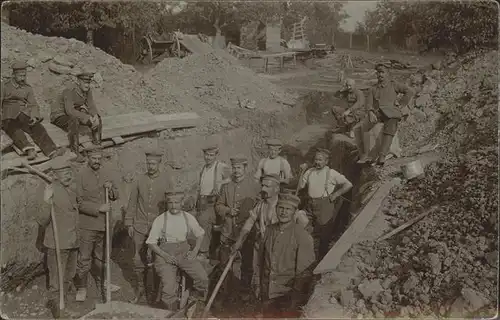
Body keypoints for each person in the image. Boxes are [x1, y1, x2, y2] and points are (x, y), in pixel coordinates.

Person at [232, 174, 308, 297]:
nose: (263, 189)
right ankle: (259, 296)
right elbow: (250, 221)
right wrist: (239, 241)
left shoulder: (284, 204)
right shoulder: (261, 204)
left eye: (267, 186)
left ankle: (280, 298)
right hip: (262, 245)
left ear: (276, 188)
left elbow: (303, 221)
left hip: (279, 247)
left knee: (278, 273)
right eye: (262, 185)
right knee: (259, 270)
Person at [124, 150, 175, 304]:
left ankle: (156, 293)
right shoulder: (139, 180)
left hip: (158, 228)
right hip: (140, 226)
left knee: (157, 260)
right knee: (137, 260)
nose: (151, 166)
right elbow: (132, 202)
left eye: (153, 163)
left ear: (159, 164)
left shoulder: (167, 181)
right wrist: (129, 223)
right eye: (148, 163)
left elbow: (171, 206)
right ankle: (140, 289)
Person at [146, 191, 209, 311]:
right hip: (165, 254)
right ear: (167, 203)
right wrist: (165, 255)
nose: (173, 206)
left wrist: (195, 250)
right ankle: (171, 312)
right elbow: (151, 242)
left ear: (182, 203)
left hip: (184, 252)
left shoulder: (188, 217)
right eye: (170, 202)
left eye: (176, 202)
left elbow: (200, 234)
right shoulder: (160, 219)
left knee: (202, 278)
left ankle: (194, 303)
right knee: (169, 288)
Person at [73, 145, 120, 302]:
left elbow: (115, 195)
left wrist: (111, 188)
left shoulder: (107, 172)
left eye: (99, 158)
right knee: (84, 258)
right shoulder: (80, 175)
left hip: (105, 224)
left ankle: (104, 282)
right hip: (87, 225)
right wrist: (98, 208)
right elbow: (78, 203)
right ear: (88, 158)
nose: (97, 161)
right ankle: (82, 287)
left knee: (103, 257)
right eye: (94, 158)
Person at [259, 193, 315, 318]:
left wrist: (294, 299)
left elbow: (304, 273)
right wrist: (259, 285)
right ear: (276, 209)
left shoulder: (302, 235)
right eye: (281, 208)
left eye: (288, 209)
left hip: (287, 296)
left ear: (295, 212)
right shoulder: (269, 230)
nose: (283, 212)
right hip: (268, 292)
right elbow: (260, 261)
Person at [214, 154, 259, 303]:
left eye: (239, 168)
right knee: (224, 264)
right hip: (228, 231)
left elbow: (259, 207)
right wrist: (228, 210)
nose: (236, 171)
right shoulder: (226, 187)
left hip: (246, 232)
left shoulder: (254, 186)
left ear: (245, 168)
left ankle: (245, 290)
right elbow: (218, 205)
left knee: (247, 263)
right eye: (234, 168)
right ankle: (225, 292)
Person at [36, 158, 78, 318]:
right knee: (56, 281)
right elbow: (41, 219)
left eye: (69, 172)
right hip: (57, 244)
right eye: (64, 174)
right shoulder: (50, 190)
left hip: (73, 241)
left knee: (68, 276)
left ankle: (64, 305)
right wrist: (47, 201)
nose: (68, 176)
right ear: (56, 175)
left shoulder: (71, 189)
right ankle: (58, 312)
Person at [1, 60, 64, 160]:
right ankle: (30, 150)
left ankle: (51, 151)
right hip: (7, 115)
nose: (22, 78)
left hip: (23, 114)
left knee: (36, 126)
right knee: (13, 128)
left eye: (24, 76)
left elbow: (33, 104)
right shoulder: (4, 86)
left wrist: (34, 116)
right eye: (20, 76)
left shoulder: (27, 88)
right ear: (13, 75)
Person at [298, 148, 353, 259]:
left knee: (325, 232)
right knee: (300, 221)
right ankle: (306, 255)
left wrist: (336, 194)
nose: (317, 162)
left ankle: (321, 257)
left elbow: (348, 184)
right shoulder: (310, 172)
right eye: (316, 159)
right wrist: (302, 171)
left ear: (326, 161)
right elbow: (300, 186)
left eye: (320, 160)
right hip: (310, 203)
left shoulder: (331, 173)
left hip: (324, 204)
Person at [358, 64, 414, 165]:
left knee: (391, 126)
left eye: (382, 72)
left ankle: (382, 155)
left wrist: (401, 104)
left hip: (391, 113)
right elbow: (368, 103)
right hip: (378, 113)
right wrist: (370, 112)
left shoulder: (394, 85)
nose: (380, 74)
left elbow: (409, 91)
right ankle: (366, 154)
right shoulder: (373, 88)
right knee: (363, 126)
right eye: (378, 72)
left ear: (388, 74)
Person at [51, 69, 102, 163]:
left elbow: (91, 105)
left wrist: (95, 116)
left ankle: (97, 145)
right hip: (59, 115)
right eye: (84, 82)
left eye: (89, 82)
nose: (87, 85)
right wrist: (86, 117)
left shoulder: (87, 90)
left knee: (97, 118)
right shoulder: (69, 90)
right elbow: (69, 111)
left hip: (74, 113)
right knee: (74, 120)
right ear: (78, 82)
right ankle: (75, 152)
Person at [195, 145, 231, 261]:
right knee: (200, 222)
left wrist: (219, 184)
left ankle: (204, 252)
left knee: (205, 222)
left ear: (216, 155)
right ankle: (209, 250)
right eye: (207, 155)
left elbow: (231, 178)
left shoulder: (221, 166)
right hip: (203, 201)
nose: (208, 157)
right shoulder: (204, 168)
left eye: (211, 155)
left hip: (215, 200)